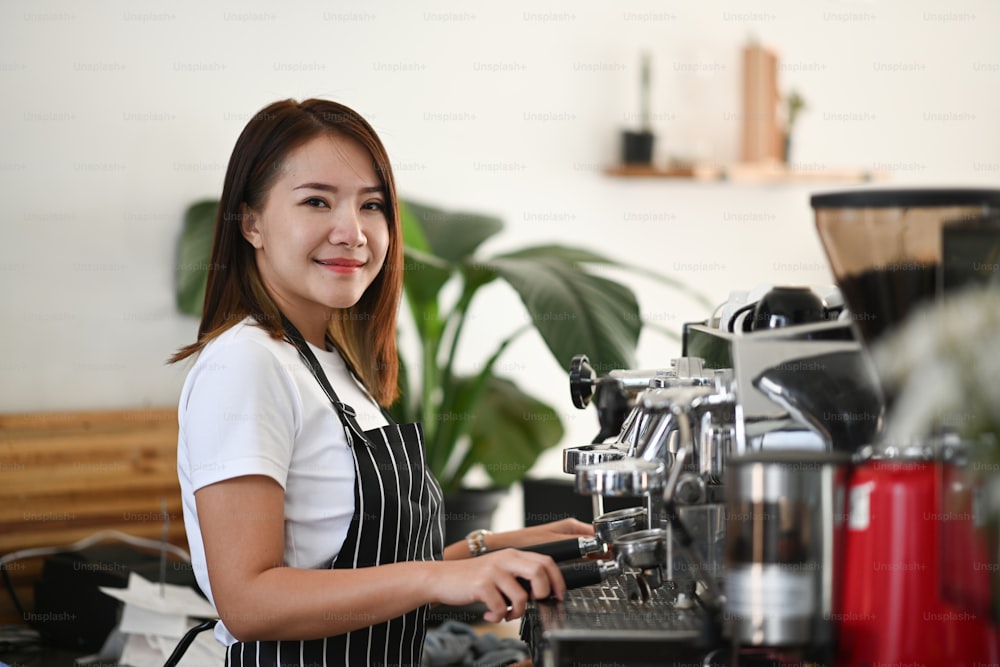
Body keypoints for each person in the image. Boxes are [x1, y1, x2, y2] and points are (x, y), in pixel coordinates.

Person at [170, 98, 593, 666]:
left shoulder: (329, 363)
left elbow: (349, 574)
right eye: (316, 201)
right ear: (251, 223)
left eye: (371, 205)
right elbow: (248, 602)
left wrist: (488, 550)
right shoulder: (245, 365)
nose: (352, 231)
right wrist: (436, 579)